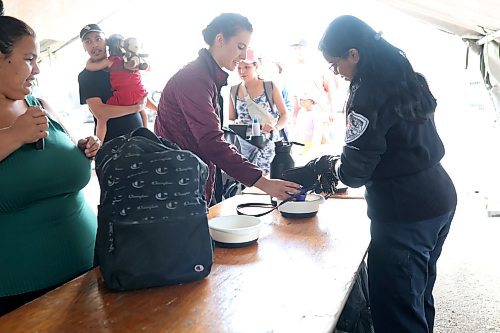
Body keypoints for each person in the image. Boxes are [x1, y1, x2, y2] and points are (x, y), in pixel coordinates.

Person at [306, 15, 457, 333]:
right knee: (417, 294)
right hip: (438, 196)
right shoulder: (408, 77)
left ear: (353, 54)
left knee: (396, 309)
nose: (337, 74)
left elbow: (354, 173)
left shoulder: (366, 94)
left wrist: (331, 166)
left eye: (336, 65)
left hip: (405, 212)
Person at [0, 15, 100, 316]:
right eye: (29, 59)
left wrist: (83, 149)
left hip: (92, 268)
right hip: (21, 293)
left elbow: (62, 157)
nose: (37, 69)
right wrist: (15, 135)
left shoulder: (39, 104)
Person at [154, 13, 300, 205]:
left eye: (246, 49)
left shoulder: (206, 77)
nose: (242, 56)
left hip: (189, 177)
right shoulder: (194, 79)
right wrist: (263, 183)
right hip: (179, 183)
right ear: (220, 39)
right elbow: (210, 141)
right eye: (240, 47)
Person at [78, 24, 149, 143]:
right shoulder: (86, 76)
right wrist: (135, 108)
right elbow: (101, 112)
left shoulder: (123, 63)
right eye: (88, 41)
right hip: (113, 146)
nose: (94, 45)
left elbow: (137, 91)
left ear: (106, 41)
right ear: (84, 47)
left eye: (98, 39)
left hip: (140, 139)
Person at [228, 48, 288, 174]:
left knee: (269, 180)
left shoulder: (269, 86)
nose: (242, 71)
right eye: (239, 68)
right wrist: (237, 123)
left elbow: (284, 115)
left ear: (256, 66)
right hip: (244, 147)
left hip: (268, 144)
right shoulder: (234, 90)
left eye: (247, 67)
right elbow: (231, 119)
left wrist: (275, 128)